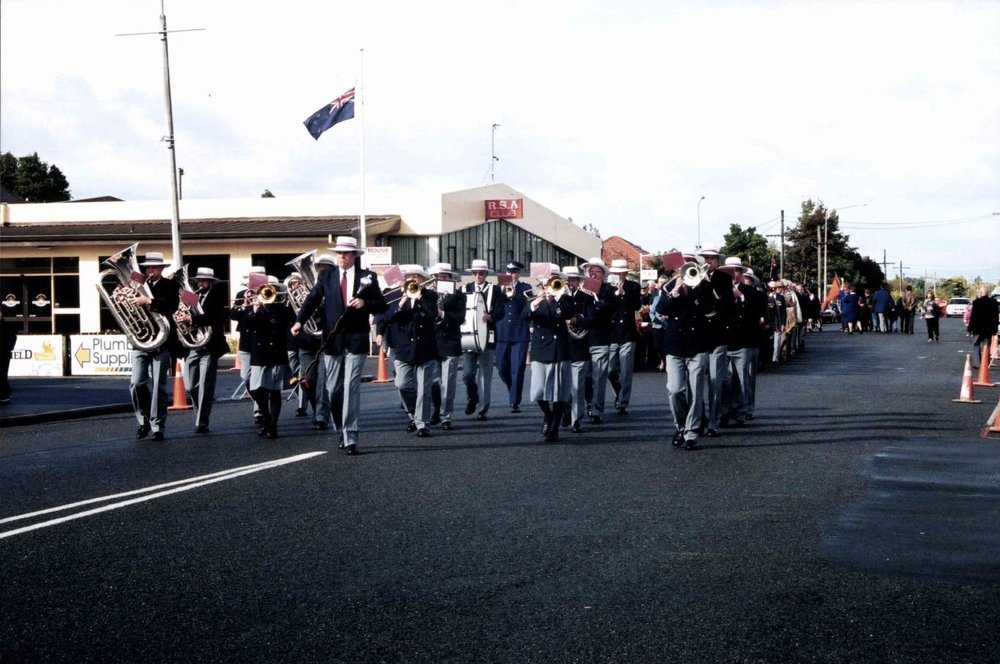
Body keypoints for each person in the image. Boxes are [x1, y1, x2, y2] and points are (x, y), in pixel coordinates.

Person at [293, 236, 387, 455]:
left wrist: (365, 304)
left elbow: (381, 305)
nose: (341, 256)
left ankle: (350, 436)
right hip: (332, 340)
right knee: (333, 389)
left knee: (351, 388)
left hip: (357, 340)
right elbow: (312, 300)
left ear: (354, 255)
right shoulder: (326, 276)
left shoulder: (368, 277)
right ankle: (341, 429)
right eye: (338, 253)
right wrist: (299, 320)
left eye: (345, 253)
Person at [655, 263, 714, 450]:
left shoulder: (704, 287)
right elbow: (663, 309)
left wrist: (701, 283)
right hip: (674, 346)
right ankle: (680, 427)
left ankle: (691, 433)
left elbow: (710, 308)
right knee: (675, 390)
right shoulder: (670, 287)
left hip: (697, 344)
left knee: (695, 392)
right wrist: (677, 288)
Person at [129, 251, 181, 441]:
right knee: (136, 383)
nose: (150, 270)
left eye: (154, 267)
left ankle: (157, 425)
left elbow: (172, 304)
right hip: (141, 340)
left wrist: (148, 301)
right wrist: (124, 298)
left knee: (159, 385)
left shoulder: (170, 284)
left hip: (162, 341)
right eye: (148, 267)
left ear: (161, 269)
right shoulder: (137, 286)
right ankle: (143, 420)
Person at [384, 265, 440, 438]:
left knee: (424, 389)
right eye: (410, 277)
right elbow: (388, 318)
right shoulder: (394, 296)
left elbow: (433, 314)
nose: (414, 280)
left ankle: (422, 424)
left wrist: (419, 296)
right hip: (404, 348)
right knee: (402, 384)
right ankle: (413, 416)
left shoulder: (430, 295)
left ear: (423, 279)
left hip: (425, 348)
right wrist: (401, 303)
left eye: (417, 277)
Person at [525, 264, 577, 442]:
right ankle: (548, 415)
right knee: (539, 391)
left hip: (560, 349)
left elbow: (566, 314)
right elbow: (524, 315)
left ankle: (554, 427)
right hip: (541, 348)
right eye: (548, 277)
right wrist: (539, 299)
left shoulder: (564, 298)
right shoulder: (533, 298)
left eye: (554, 277)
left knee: (560, 392)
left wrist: (556, 297)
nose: (551, 280)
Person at [176, 267, 230, 434]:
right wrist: (180, 316)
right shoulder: (192, 297)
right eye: (198, 280)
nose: (200, 283)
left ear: (211, 283)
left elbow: (214, 318)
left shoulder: (217, 297)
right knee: (191, 386)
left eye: (204, 281)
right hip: (194, 345)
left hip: (210, 346)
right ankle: (201, 412)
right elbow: (179, 313)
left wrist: (190, 318)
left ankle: (202, 422)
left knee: (205, 385)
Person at [247, 276, 295, 439]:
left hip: (276, 353)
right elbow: (245, 323)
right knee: (256, 389)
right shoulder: (254, 307)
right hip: (259, 354)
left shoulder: (282, 308)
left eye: (272, 287)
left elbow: (288, 320)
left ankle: (272, 425)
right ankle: (267, 419)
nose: (268, 291)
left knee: (274, 391)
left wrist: (286, 298)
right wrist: (254, 309)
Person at [698, 246, 736, 437]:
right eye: (705, 258)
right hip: (699, 336)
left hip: (718, 334)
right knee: (695, 383)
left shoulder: (724, 279)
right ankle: (700, 420)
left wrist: (708, 287)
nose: (708, 261)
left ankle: (713, 421)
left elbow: (727, 303)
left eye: (712, 258)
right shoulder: (694, 277)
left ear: (718, 261)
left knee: (715, 380)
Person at [462, 259, 503, 421]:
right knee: (467, 374)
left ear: (486, 274)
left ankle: (482, 409)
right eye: (475, 273)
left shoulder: (495, 290)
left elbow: (501, 310)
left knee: (485, 376)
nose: (478, 276)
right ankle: (473, 397)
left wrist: (491, 316)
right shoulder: (465, 289)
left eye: (481, 273)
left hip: (488, 336)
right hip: (468, 336)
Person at [429, 262, 467, 431]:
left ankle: (446, 416)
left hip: (450, 341)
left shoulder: (459, 296)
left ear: (451, 278)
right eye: (438, 276)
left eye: (445, 276)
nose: (441, 279)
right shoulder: (429, 294)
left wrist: (443, 313)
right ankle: (436, 407)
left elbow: (460, 318)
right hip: (431, 341)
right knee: (433, 381)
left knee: (448, 381)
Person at [581, 257, 618, 425]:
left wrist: (595, 297)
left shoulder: (609, 290)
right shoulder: (580, 290)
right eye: (590, 271)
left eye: (596, 271)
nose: (593, 274)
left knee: (599, 378)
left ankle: (597, 410)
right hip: (581, 340)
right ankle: (588, 402)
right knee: (586, 377)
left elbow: (609, 309)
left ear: (603, 274)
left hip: (600, 339)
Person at [494, 261, 532, 413]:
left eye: (514, 271)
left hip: (519, 333)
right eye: (509, 271)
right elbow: (494, 307)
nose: (511, 274)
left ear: (519, 273)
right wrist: (502, 293)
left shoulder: (525, 288)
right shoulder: (497, 288)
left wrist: (516, 296)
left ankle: (515, 401)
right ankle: (512, 388)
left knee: (518, 369)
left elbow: (528, 306)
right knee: (502, 368)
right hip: (502, 333)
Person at [231, 266, 267, 426]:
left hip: (263, 341)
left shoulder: (268, 292)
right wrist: (245, 304)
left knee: (259, 378)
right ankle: (260, 404)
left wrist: (259, 306)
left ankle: (259, 410)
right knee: (246, 376)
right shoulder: (241, 294)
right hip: (246, 342)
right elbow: (233, 315)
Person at [606, 258, 642, 415]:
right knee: (609, 369)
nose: (618, 276)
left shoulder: (633, 286)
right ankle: (619, 391)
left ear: (625, 273)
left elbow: (637, 306)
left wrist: (624, 294)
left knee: (626, 371)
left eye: (620, 273)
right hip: (611, 333)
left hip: (627, 332)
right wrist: (615, 294)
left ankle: (623, 402)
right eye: (615, 273)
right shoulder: (606, 288)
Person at [561, 265, 594, 433]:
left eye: (572, 280)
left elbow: (591, 319)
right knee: (563, 386)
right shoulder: (558, 296)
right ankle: (566, 409)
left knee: (577, 386)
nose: (569, 283)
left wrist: (577, 320)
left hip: (579, 346)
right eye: (566, 280)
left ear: (578, 281)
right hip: (561, 348)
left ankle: (576, 419)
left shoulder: (586, 298)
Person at [968, 286, 999, 366]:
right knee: (987, 345)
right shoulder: (993, 302)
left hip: (977, 328)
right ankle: (986, 363)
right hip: (989, 328)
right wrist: (995, 329)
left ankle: (977, 364)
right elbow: (995, 316)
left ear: (981, 293)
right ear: (988, 293)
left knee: (976, 344)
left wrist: (969, 328)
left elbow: (973, 316)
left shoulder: (976, 302)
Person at [0, 304, 17, 404]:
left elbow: (13, 338)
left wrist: (8, 348)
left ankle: (3, 395)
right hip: (4, 353)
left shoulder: (6, 327)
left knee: (2, 374)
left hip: (3, 355)